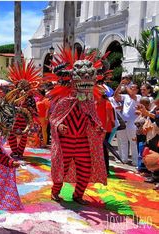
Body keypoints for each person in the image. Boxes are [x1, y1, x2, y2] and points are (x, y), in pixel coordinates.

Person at [47, 48, 107, 204]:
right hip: (66, 142)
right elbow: (53, 119)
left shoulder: (90, 103)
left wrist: (98, 127)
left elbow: (93, 119)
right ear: (73, 80)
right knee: (62, 168)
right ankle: (55, 193)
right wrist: (59, 126)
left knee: (85, 170)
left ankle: (78, 195)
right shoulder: (64, 102)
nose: (86, 79)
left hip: (82, 142)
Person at [114, 79, 141, 165]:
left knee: (133, 142)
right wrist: (120, 85)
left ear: (137, 90)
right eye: (131, 87)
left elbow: (132, 95)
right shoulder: (125, 96)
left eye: (133, 88)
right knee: (123, 141)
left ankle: (135, 161)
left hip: (132, 123)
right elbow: (115, 96)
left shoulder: (138, 97)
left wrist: (125, 85)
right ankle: (124, 159)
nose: (131, 89)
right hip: (124, 121)